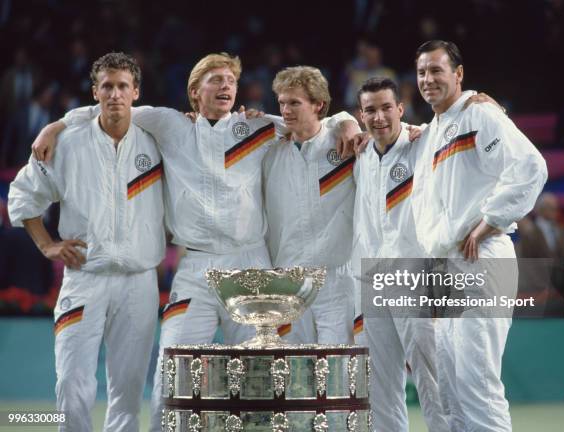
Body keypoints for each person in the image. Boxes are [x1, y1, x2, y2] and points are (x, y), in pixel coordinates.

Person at [31, 52, 359, 432]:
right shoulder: (169, 124)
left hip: (250, 264)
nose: (225, 87)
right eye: (215, 80)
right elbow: (112, 109)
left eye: (231, 81)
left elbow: (312, 122)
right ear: (194, 91)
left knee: (260, 377)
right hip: (195, 268)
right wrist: (54, 126)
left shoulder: (256, 128)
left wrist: (347, 122)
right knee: (173, 370)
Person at [8, 52, 165, 432]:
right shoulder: (68, 143)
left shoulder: (158, 142)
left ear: (136, 92)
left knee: (127, 392)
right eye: (107, 86)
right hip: (84, 279)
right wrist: (47, 245)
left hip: (139, 281)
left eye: (123, 86)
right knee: (72, 383)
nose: (115, 94)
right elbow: (23, 195)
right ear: (95, 92)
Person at [411, 40, 547, 431]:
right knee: (450, 389)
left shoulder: (479, 113)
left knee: (476, 384)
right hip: (449, 267)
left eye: (437, 70)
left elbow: (531, 167)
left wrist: (490, 220)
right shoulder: (436, 129)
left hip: (481, 256)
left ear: (458, 74)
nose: (428, 79)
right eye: (422, 72)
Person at [351, 77, 449, 432]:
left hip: (414, 277)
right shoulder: (360, 153)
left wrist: (478, 101)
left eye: (385, 108)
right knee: (379, 385)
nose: (379, 117)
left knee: (432, 377)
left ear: (400, 109)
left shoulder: (422, 142)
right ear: (360, 115)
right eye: (370, 110)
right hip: (371, 278)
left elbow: (459, 123)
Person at [263, 66, 357, 344]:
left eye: (294, 102)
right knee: (296, 376)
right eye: (281, 103)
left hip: (337, 278)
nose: (286, 110)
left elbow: (395, 131)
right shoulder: (270, 155)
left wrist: (345, 121)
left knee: (338, 375)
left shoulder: (346, 143)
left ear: (319, 104)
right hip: (289, 279)